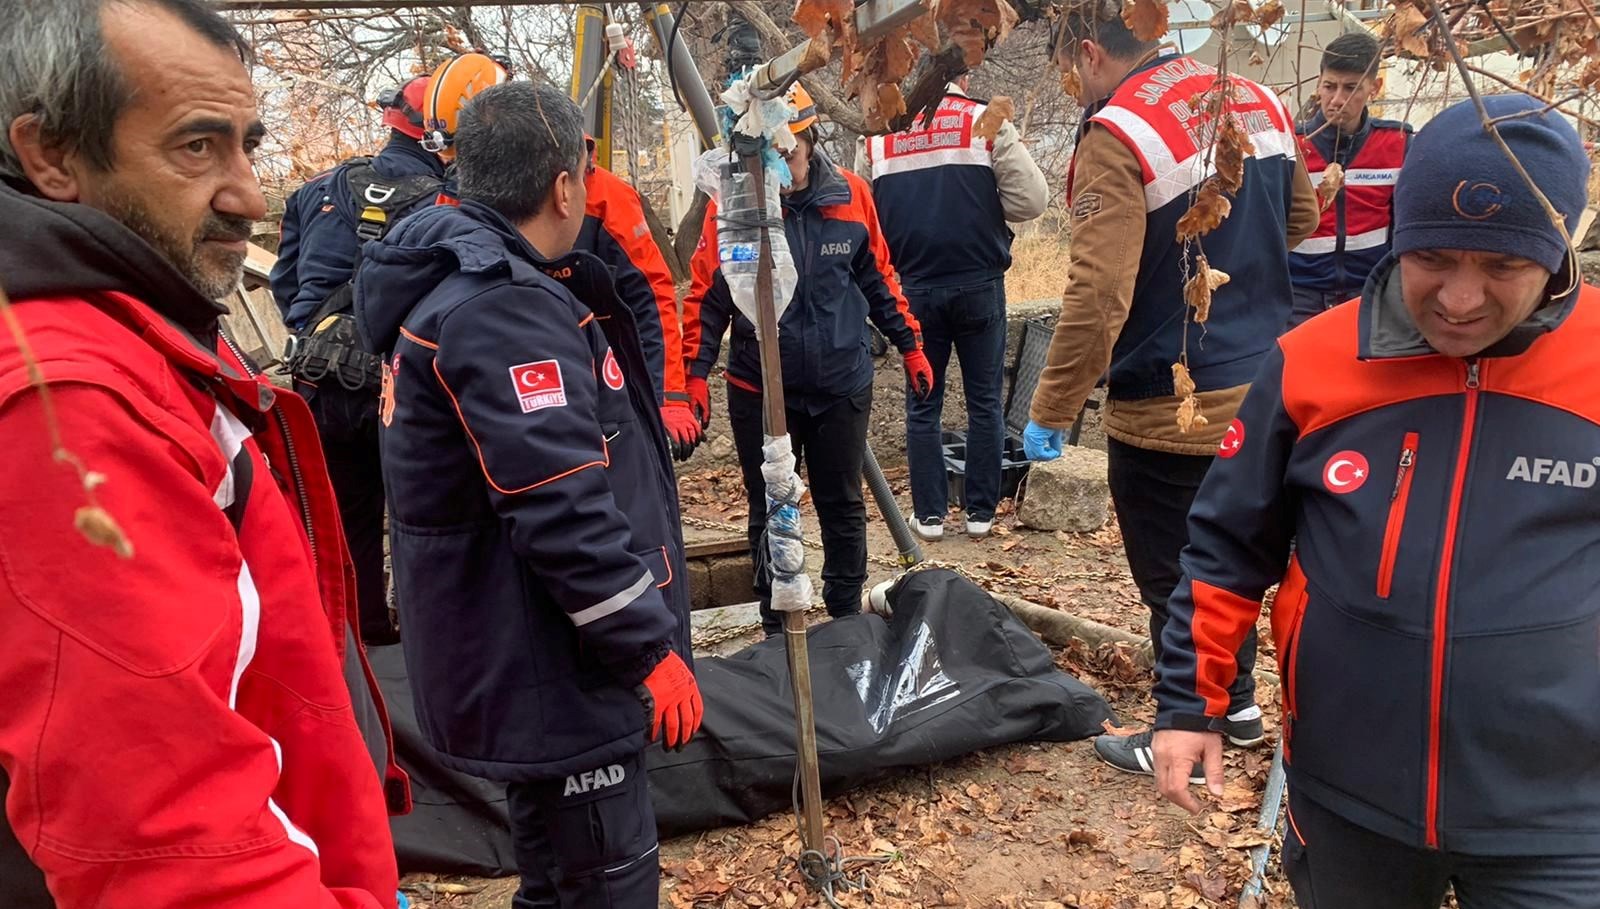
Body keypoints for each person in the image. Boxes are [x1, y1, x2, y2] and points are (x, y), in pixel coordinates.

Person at [0, 1, 403, 906]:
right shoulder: (67, 402)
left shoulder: (139, 331)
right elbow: (175, 853)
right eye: (196, 146)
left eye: (246, 144)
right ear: (52, 154)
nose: (249, 196)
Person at [1152, 94, 1598, 908]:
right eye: (1434, 257)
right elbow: (1226, 545)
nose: (1459, 298)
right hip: (1350, 795)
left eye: (1503, 267)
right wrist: (1191, 702)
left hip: (1564, 815)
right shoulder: (1313, 361)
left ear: (1558, 251)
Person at [354, 82, 700, 909]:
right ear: (564, 186)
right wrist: (647, 650)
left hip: (521, 652)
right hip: (556, 667)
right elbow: (559, 505)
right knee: (603, 885)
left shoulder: (462, 287)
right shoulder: (504, 308)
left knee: (555, 880)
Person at [1024, 0, 1320, 776]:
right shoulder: (1255, 97)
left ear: (1089, 53)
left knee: (1175, 575)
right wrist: (1235, 269)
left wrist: (1052, 408)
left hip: (1168, 396)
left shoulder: (1118, 132)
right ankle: (1240, 704)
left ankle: (1183, 725)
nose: (1074, 88)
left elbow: (1098, 293)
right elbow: (1301, 214)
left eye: (1069, 72)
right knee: (1236, 552)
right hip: (1267, 382)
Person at [682, 84, 933, 638]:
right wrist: (693, 376)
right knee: (770, 505)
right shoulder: (735, 205)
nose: (783, 169)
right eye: (771, 156)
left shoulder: (850, 195)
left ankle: (844, 618)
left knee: (841, 501)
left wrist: (910, 344)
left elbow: (879, 278)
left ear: (810, 141)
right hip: (760, 387)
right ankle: (777, 624)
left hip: (840, 381)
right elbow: (707, 296)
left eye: (790, 154)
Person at [271, 75, 447, 645]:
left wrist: (322, 331)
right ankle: (428, 640)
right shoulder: (450, 200)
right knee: (429, 518)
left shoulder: (317, 189)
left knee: (346, 520)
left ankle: (363, 633)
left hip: (320, 382)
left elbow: (285, 282)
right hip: (405, 385)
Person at [864, 74, 1049, 541]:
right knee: (984, 401)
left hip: (914, 290)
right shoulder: (984, 120)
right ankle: (980, 513)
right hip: (979, 284)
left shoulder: (883, 133)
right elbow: (1032, 201)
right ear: (962, 75)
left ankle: (929, 517)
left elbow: (867, 217)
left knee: (923, 404)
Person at [578, 147, 703, 460]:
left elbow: (652, 296)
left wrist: (669, 395)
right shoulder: (466, 196)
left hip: (607, 386)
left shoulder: (607, 197)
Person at [1286, 31, 1411, 328]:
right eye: (1330, 86)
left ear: (1374, 88)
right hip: (1298, 295)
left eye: (1352, 88)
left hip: (1370, 293)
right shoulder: (1292, 144)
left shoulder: (1397, 143)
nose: (1337, 100)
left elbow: (1406, 223)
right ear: (1319, 83)